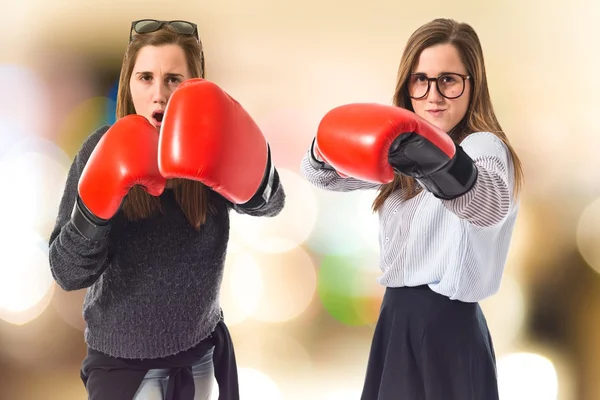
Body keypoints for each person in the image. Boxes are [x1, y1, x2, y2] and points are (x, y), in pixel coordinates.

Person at [48, 19, 285, 400]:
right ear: (129, 84)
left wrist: (249, 157)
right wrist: (95, 209)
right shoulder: (100, 148)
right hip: (120, 362)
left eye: (173, 79)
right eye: (145, 78)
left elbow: (271, 206)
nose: (158, 94)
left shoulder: (211, 146)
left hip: (200, 354)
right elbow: (67, 273)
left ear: (195, 86)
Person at [300, 18, 523, 400]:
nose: (433, 95)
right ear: (408, 87)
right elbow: (322, 178)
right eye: (421, 80)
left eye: (449, 80)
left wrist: (437, 162)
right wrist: (327, 143)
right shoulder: (404, 151)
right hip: (396, 319)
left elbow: (488, 204)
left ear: (473, 85)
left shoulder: (483, 146)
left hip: (448, 327)